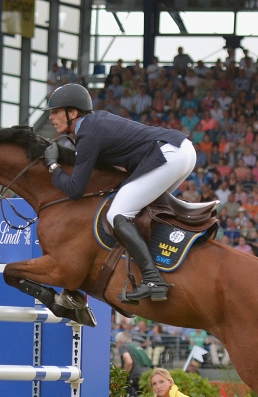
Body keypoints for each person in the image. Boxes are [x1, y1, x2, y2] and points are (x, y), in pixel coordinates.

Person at [44, 83, 196, 303]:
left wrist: (52, 167)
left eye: (56, 111)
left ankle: (153, 279)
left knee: (117, 214)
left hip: (170, 154)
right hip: (181, 150)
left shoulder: (87, 135)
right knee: (139, 209)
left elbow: (75, 190)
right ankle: (160, 263)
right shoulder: (94, 124)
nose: (51, 118)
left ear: (73, 113)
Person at [116, 331, 153, 397]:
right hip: (148, 375)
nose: (116, 345)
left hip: (136, 377)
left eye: (116, 342)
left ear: (120, 341)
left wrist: (123, 376)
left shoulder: (123, 346)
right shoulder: (136, 347)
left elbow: (129, 362)